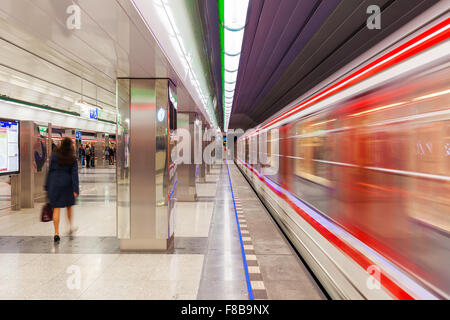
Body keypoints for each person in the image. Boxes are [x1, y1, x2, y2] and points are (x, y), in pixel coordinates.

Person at [44, 137, 79, 243]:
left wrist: (47, 186)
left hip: (54, 184)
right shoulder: (72, 158)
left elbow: (49, 171)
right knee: (69, 206)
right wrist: (76, 189)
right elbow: (74, 175)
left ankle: (56, 233)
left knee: (56, 208)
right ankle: (70, 226)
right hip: (67, 185)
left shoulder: (54, 155)